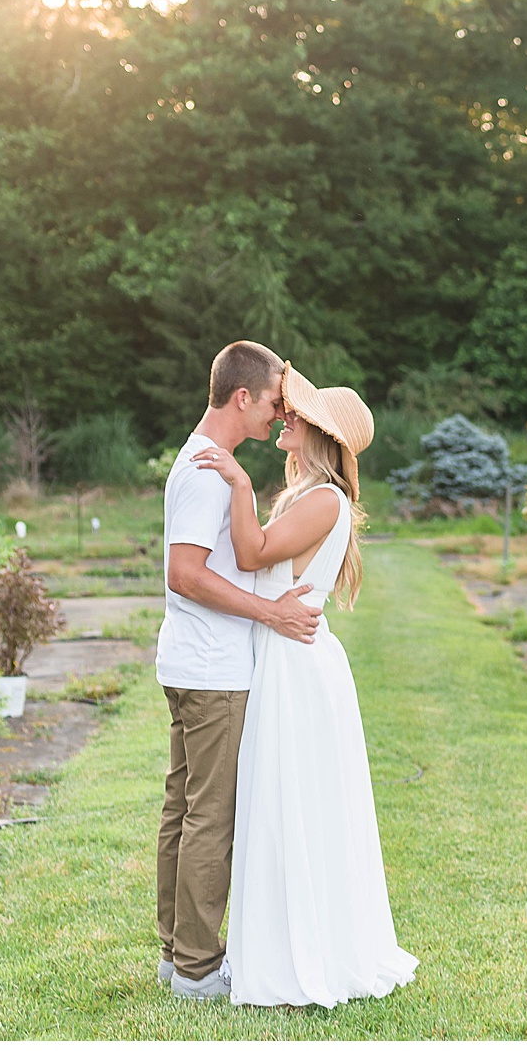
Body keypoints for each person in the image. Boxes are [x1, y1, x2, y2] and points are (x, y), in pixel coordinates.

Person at [192, 363, 419, 1008]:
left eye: (298, 415)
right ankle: (278, 946)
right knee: (280, 806)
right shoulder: (310, 497)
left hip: (296, 666)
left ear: (319, 433)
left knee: (293, 806)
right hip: (287, 658)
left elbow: (254, 553)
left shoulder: (324, 500)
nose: (285, 417)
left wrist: (237, 482)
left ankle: (303, 957)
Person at [157, 340, 324, 1000]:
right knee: (211, 819)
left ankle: (177, 958)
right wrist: (269, 613)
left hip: (191, 662)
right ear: (242, 397)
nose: (279, 416)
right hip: (214, 671)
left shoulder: (205, 461)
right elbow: (185, 574)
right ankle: (198, 970)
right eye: (275, 403)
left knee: (184, 812)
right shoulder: (206, 470)